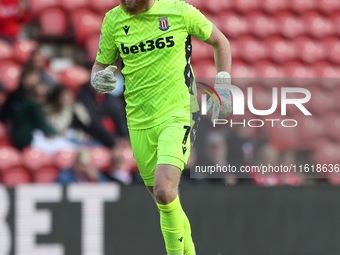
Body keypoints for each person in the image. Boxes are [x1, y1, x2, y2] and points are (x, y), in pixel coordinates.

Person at [91, 0, 232, 254]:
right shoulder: (113, 20)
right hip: (138, 122)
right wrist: (98, 78)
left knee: (165, 191)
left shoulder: (179, 11)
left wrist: (223, 86)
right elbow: (100, 65)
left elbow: (221, 42)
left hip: (178, 113)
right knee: (165, 202)